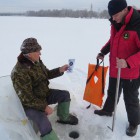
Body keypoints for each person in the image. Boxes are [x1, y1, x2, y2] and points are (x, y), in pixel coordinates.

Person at [11, 38, 78, 140]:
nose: (40, 53)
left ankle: (64, 117)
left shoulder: (35, 61)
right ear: (29, 53)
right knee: (43, 122)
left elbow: (45, 74)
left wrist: (60, 70)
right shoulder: (19, 72)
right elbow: (27, 99)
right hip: (30, 105)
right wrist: (44, 107)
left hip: (43, 94)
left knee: (64, 95)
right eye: (37, 51)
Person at [94, 0, 140, 137]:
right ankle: (108, 110)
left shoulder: (137, 25)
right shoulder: (116, 22)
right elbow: (113, 40)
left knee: (130, 99)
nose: (112, 18)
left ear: (125, 9)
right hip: (116, 68)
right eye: (111, 16)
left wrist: (127, 62)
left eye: (115, 15)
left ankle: (134, 123)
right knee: (112, 92)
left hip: (131, 71)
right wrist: (103, 52)